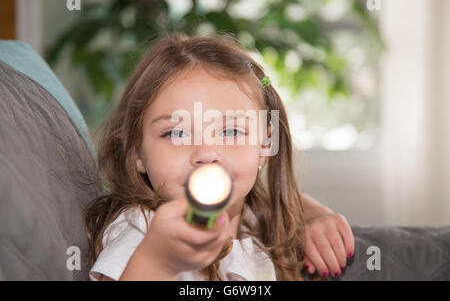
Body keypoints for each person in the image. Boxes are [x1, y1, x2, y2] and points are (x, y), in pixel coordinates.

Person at [84, 32, 354, 281]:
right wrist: (157, 261)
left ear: (265, 144)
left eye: (231, 131)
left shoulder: (252, 222)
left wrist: (313, 215)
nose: (205, 152)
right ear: (136, 153)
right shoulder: (141, 227)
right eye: (176, 133)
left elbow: (269, 205)